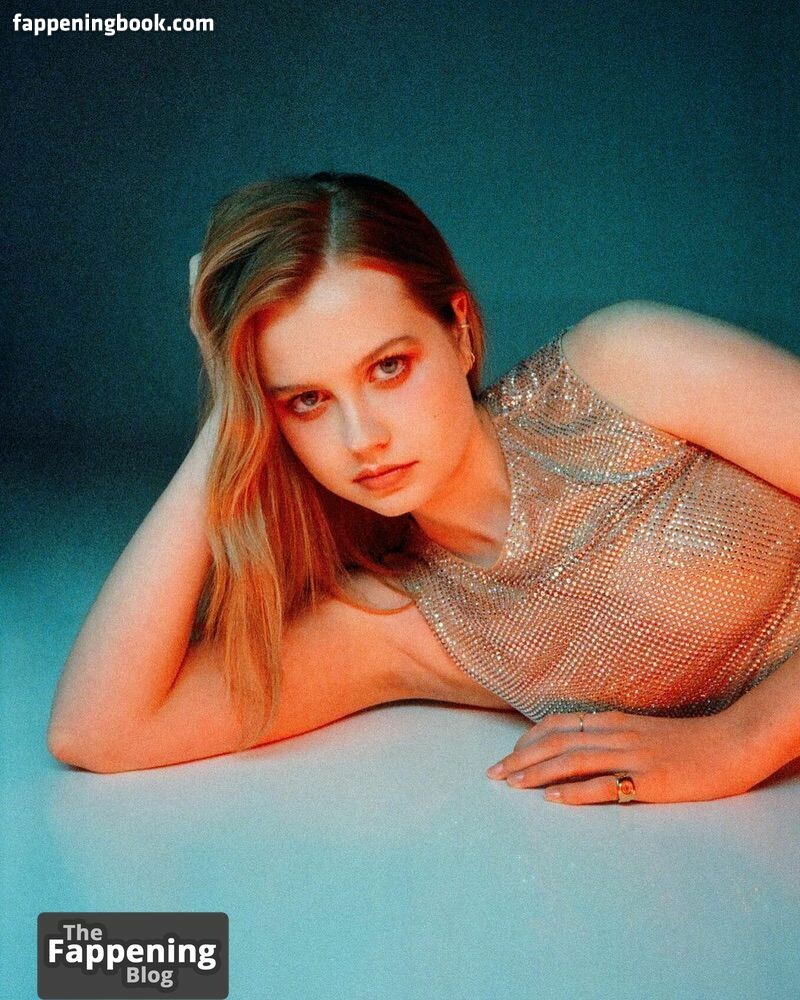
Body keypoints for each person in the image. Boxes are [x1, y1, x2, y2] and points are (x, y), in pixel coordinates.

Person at [47, 171, 800, 807]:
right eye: (305, 399)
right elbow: (100, 730)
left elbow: (740, 743)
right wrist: (232, 402)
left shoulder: (624, 370)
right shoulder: (394, 622)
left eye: (388, 368)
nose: (361, 437)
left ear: (459, 331)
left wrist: (741, 742)